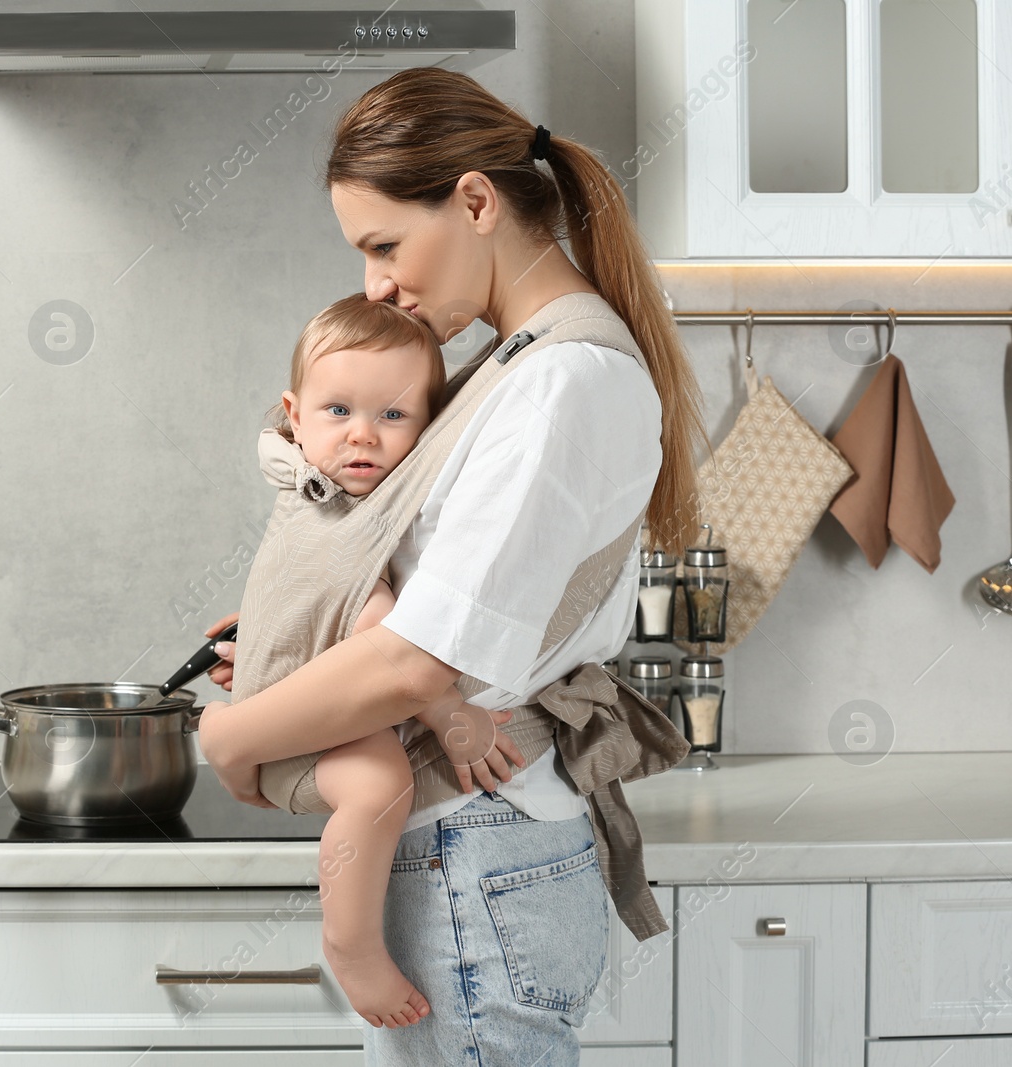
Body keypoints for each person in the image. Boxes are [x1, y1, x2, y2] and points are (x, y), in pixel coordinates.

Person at [197, 65, 706, 1066]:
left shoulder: (563, 380)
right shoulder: (511, 363)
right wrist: (299, 643)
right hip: (472, 849)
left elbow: (421, 663)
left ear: (475, 200)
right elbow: (434, 608)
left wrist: (232, 736)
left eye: (384, 245)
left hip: (478, 846)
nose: (376, 284)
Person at [249, 292, 531, 1030]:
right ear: (294, 413)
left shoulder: (321, 486)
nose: (363, 436)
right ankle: (351, 943)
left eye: (394, 416)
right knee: (378, 785)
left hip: (311, 710)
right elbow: (376, 627)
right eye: (338, 411)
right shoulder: (331, 505)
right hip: (300, 732)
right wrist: (447, 710)